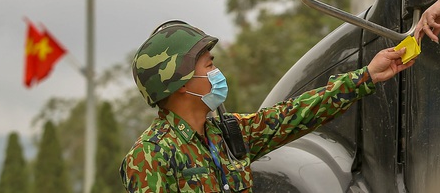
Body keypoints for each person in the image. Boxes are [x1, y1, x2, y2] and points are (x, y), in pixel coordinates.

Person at [120, 20, 415, 192]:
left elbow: (293, 115)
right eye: (209, 65)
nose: (217, 72)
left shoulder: (226, 135)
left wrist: (367, 75)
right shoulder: (151, 155)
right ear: (182, 83)